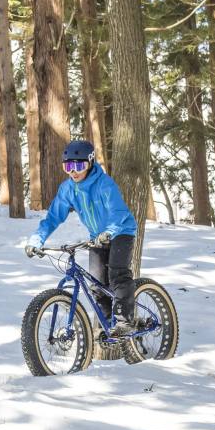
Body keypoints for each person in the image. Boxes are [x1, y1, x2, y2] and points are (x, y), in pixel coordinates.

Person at [25, 140, 138, 335]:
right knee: (97, 284)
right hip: (97, 237)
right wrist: (37, 239)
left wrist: (109, 232)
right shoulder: (68, 189)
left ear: (90, 163)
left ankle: (125, 321)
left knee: (118, 274)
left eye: (79, 166)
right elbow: (53, 217)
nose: (73, 171)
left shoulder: (104, 184)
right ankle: (110, 326)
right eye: (68, 166)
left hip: (121, 231)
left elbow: (118, 213)